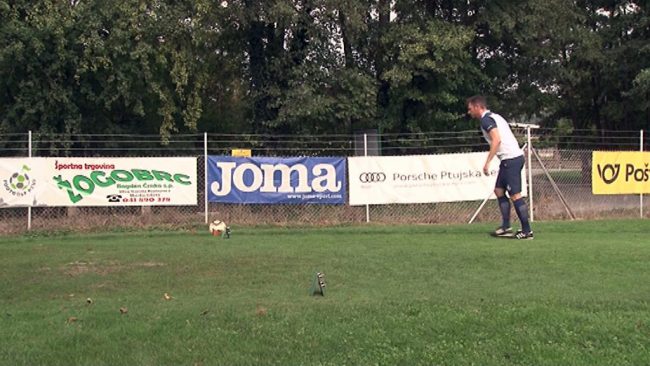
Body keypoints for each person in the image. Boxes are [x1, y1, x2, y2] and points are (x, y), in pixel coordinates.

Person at [466, 95, 533, 240]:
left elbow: (496, 139)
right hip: (509, 159)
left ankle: (527, 231)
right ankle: (506, 227)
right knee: (499, 190)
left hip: (511, 159)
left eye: (470, 109)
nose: (469, 112)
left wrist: (488, 162)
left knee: (515, 195)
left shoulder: (486, 120)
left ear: (478, 107)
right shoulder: (495, 116)